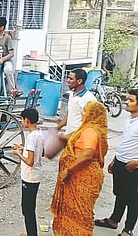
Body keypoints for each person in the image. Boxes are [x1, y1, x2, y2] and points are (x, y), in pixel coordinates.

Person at [51, 101, 109, 235]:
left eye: (85, 110)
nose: (83, 113)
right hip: (78, 176)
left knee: (81, 213)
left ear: (92, 114)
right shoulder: (87, 128)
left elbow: (87, 154)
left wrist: (68, 169)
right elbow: (69, 137)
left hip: (82, 176)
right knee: (72, 211)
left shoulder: (91, 131)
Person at [94, 89, 138, 236]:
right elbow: (125, 143)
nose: (126, 102)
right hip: (120, 162)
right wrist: (114, 160)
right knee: (120, 194)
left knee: (133, 199)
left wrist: (137, 163)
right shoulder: (129, 120)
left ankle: (128, 229)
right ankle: (113, 220)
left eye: (131, 100)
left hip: (133, 167)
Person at [12, 108, 44, 236]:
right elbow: (38, 152)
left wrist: (18, 153)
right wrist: (23, 148)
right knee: (29, 207)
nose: (22, 121)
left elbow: (30, 162)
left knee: (27, 209)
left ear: (27, 120)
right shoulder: (39, 133)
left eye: (22, 119)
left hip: (30, 177)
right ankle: (30, 232)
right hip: (36, 175)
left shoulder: (31, 137)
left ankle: (32, 234)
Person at [56, 68, 96, 140]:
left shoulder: (89, 99)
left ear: (79, 81)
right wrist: (56, 128)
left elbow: (90, 123)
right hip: (70, 138)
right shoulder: (71, 94)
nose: (68, 80)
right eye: (68, 78)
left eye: (71, 79)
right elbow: (69, 115)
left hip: (80, 139)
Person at [0, 16, 15, 94]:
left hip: (6, 60)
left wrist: (3, 59)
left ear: (2, 28)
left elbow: (11, 54)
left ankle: (12, 91)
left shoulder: (7, 38)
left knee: (8, 70)